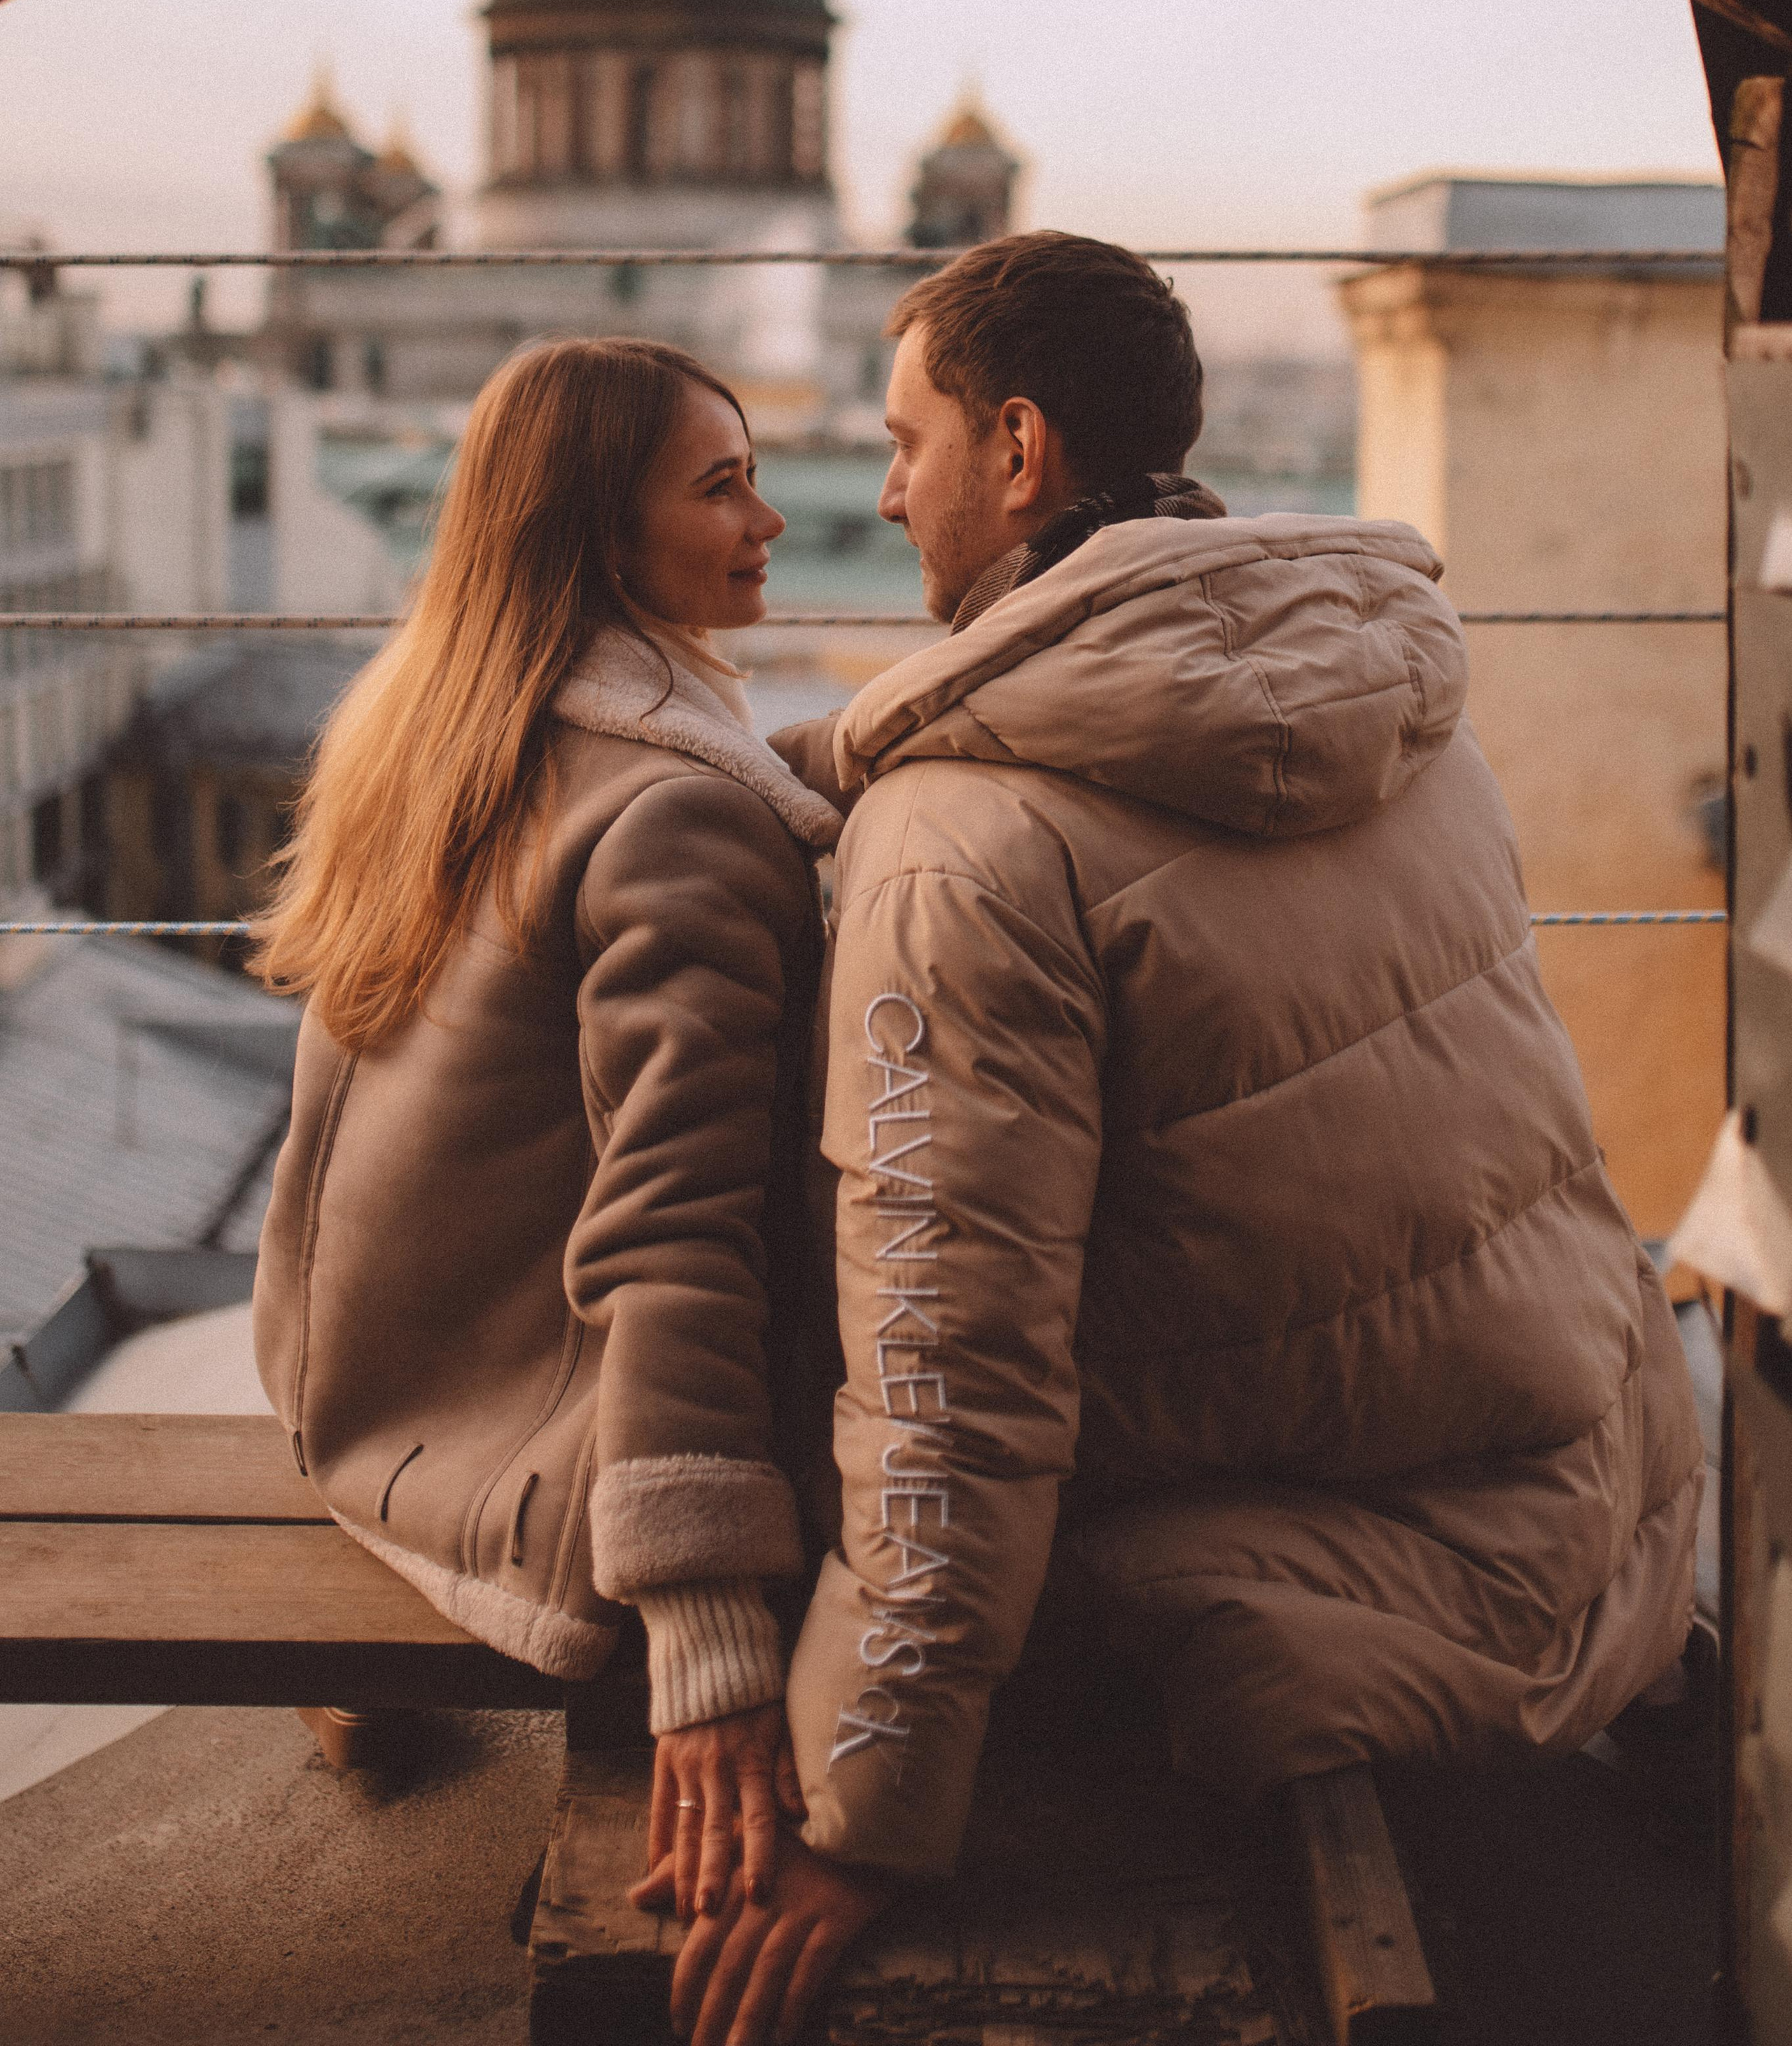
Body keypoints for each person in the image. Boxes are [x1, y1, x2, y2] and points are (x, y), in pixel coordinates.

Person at [663, 232, 1705, 2046]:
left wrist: (864, 1810)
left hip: (1329, 1588)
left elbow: (950, 1379)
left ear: (1019, 449)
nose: (883, 492)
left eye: (907, 442)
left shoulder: (963, 843)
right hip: (1596, 1498)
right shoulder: (1396, 704)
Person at [251, 335, 846, 1919]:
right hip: (531, 1475)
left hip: (364, 1397)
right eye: (721, 487)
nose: (770, 521)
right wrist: (707, 1640)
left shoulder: (437, 729)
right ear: (600, 534)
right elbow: (680, 1230)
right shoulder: (681, 815)